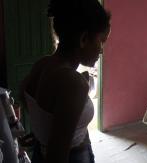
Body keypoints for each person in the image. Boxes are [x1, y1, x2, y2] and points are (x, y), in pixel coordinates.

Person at [20, 0, 111, 162]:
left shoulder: (42, 65)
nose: (102, 50)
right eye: (101, 41)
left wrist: (42, 134)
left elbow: (27, 97)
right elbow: (57, 157)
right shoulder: (73, 83)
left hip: (40, 153)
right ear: (83, 39)